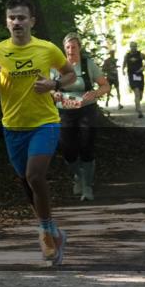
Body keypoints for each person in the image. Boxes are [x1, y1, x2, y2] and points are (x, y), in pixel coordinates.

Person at [0, 0, 76, 265]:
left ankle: (46, 231)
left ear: (32, 21)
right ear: (7, 23)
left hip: (45, 123)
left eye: (21, 17)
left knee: (35, 175)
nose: (17, 22)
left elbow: (70, 75)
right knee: (26, 182)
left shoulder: (46, 48)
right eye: (12, 18)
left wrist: (54, 85)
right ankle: (53, 233)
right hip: (13, 127)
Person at [53, 34, 110, 201]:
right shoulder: (56, 66)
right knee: (67, 149)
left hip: (86, 109)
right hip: (65, 110)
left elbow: (105, 85)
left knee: (87, 146)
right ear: (64, 49)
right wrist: (54, 93)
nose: (71, 50)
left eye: (74, 47)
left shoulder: (88, 64)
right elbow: (49, 87)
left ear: (79, 48)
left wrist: (95, 93)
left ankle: (87, 186)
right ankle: (78, 176)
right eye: (68, 47)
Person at [122, 42, 145, 118]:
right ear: (130, 47)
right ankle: (139, 111)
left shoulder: (141, 55)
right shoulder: (127, 56)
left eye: (135, 46)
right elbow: (124, 64)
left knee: (140, 95)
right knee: (137, 93)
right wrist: (123, 70)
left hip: (139, 75)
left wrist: (143, 67)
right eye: (132, 46)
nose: (133, 48)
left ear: (137, 47)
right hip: (131, 76)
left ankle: (137, 104)